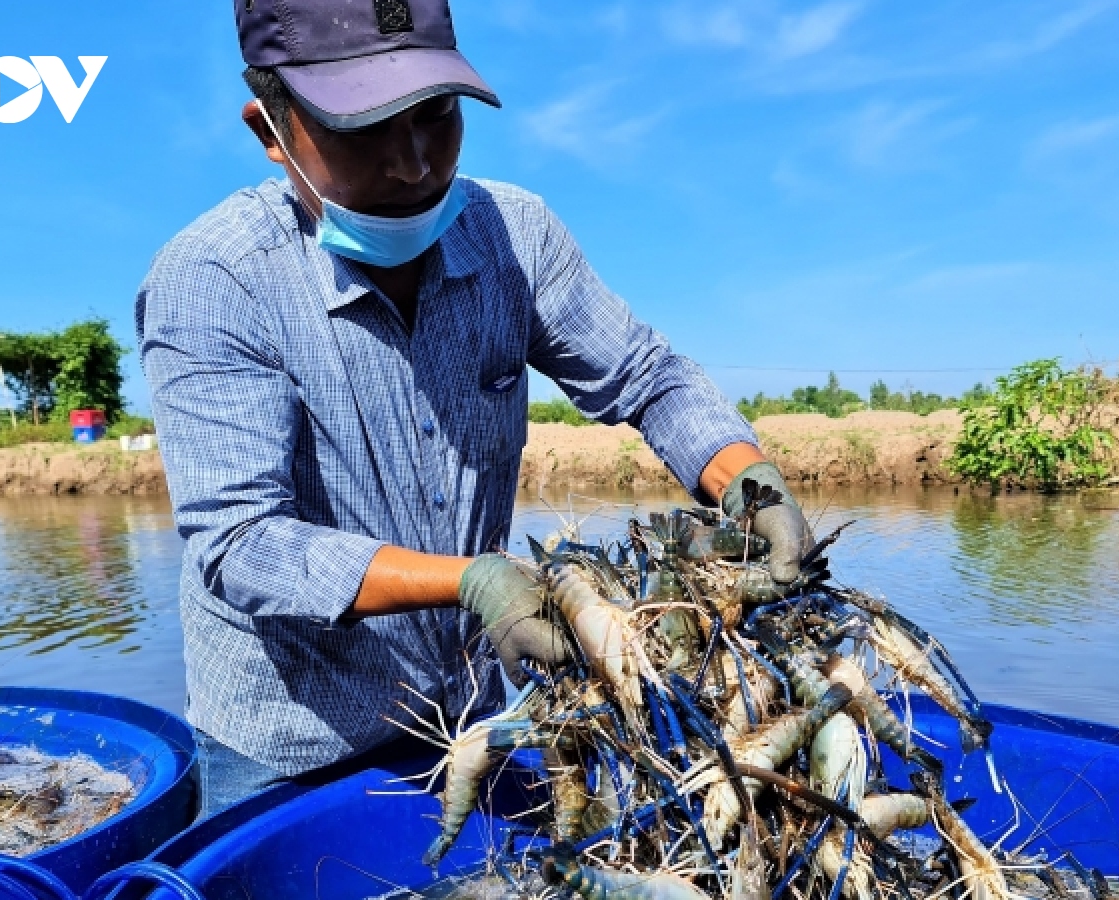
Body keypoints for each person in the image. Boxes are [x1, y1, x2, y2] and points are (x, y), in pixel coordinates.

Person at [136, 0, 813, 818]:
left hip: (474, 703)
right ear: (271, 131)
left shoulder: (513, 237)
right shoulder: (215, 280)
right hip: (291, 742)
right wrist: (477, 582)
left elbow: (648, 375)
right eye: (363, 129)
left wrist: (753, 484)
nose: (414, 163)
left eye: (435, 115)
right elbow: (242, 543)